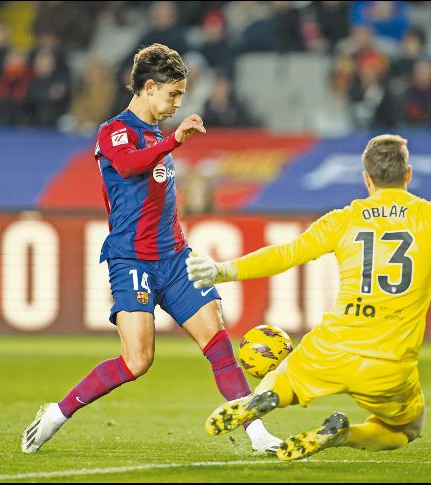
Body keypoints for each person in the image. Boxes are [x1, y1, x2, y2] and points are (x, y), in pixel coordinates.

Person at [186, 134, 431, 461]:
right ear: (407, 174)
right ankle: (345, 435)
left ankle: (262, 399)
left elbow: (285, 253)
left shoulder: (344, 219)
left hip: (331, 347)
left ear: (366, 178)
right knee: (405, 429)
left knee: (286, 377)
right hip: (387, 363)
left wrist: (223, 270)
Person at [20, 43, 282, 455]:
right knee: (137, 361)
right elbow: (128, 165)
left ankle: (257, 434)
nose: (178, 103)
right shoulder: (115, 131)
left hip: (175, 259)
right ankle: (56, 412)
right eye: (173, 94)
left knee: (217, 341)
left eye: (181, 95)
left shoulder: (154, 135)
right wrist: (175, 140)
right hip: (131, 260)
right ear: (147, 88)